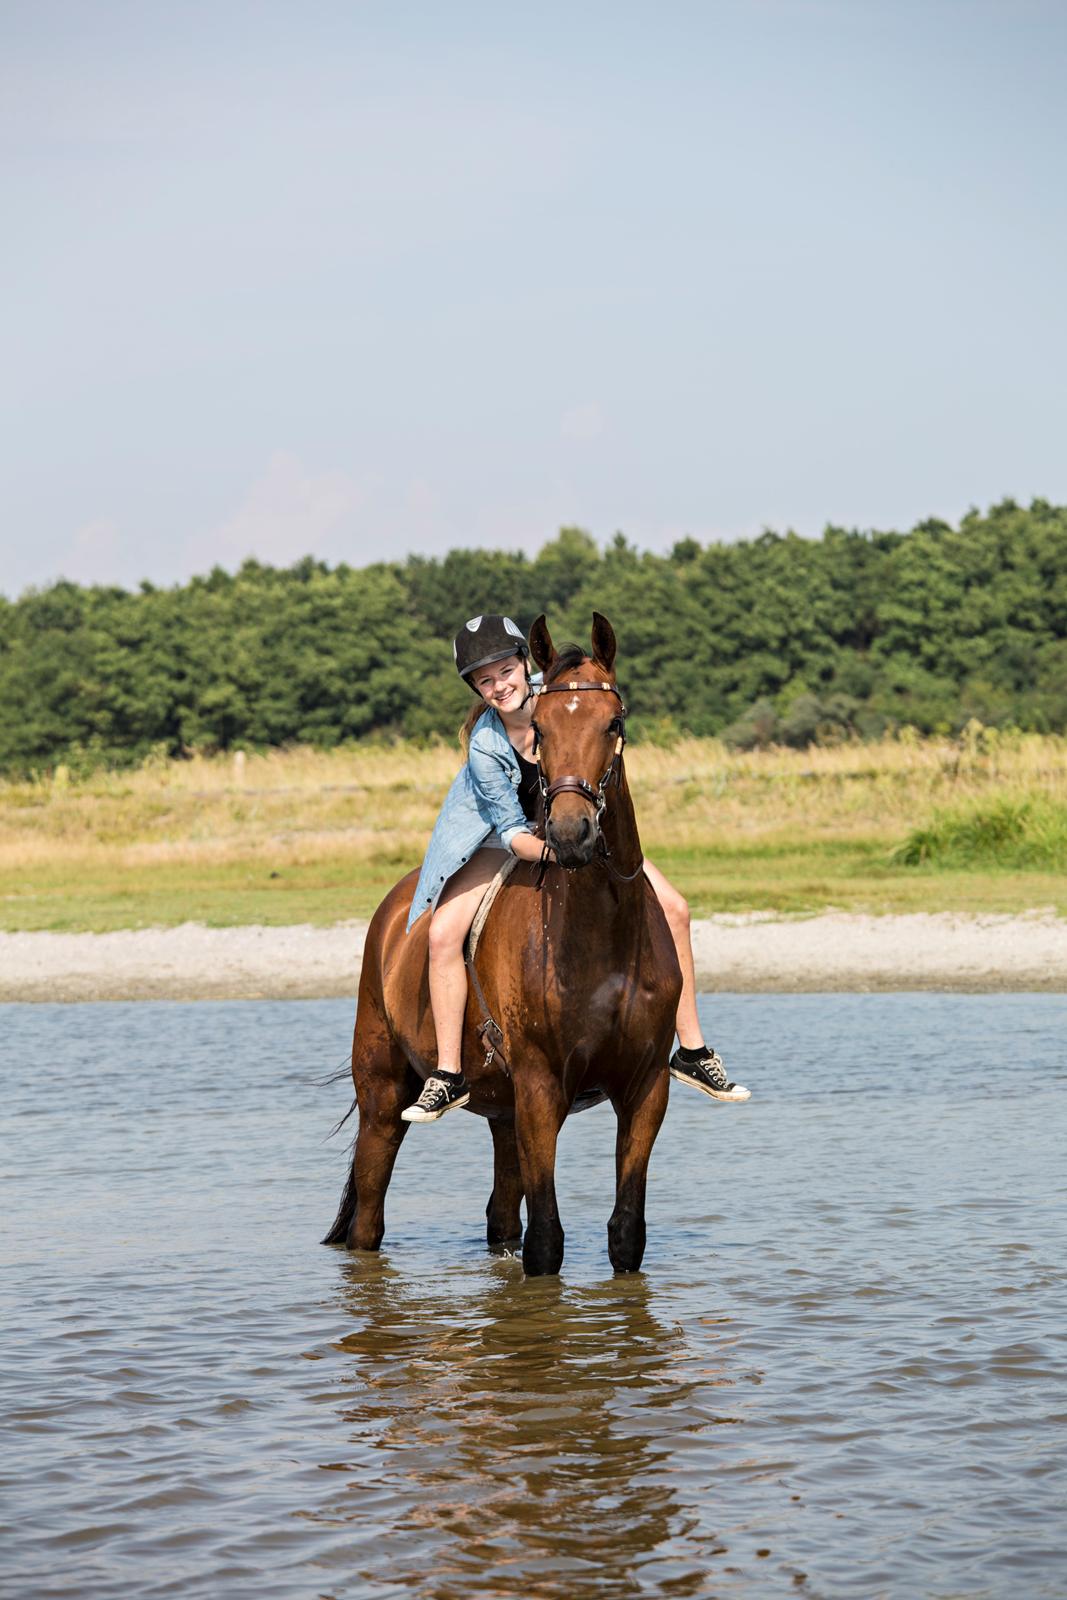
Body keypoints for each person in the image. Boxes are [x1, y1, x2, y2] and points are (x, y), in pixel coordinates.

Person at [401, 614, 751, 1123]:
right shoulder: (485, 745)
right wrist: (554, 853)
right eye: (485, 680)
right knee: (442, 934)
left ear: (526, 665)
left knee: (675, 908)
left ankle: (693, 1052)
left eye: (506, 672)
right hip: (503, 840)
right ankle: (448, 1074)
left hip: (575, 828)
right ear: (475, 688)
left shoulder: (562, 692)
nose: (499, 686)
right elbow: (512, 832)